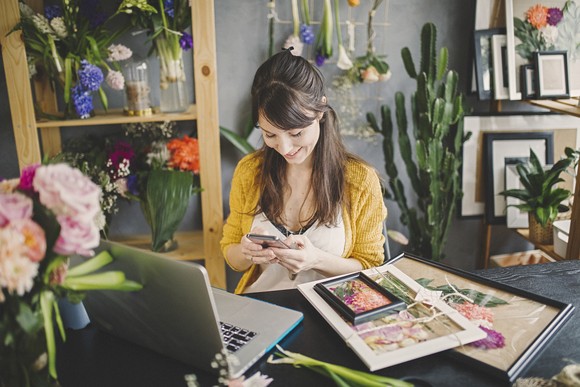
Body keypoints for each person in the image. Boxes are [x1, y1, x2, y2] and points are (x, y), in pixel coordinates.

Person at [220, 49, 387, 294]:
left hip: (333, 314)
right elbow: (231, 253)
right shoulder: (250, 172)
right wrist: (247, 252)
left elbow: (372, 268)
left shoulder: (360, 180)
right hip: (262, 307)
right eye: (270, 134)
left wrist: (316, 260)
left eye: (296, 133)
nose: (285, 148)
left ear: (320, 110)